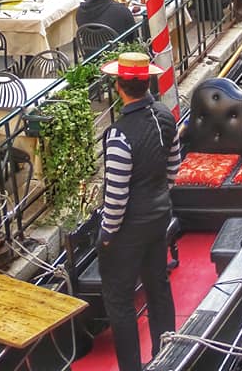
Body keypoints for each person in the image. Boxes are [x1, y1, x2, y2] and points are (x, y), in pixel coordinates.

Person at [98, 50, 180, 371]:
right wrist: (157, 198)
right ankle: (168, 357)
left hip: (129, 229)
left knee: (119, 301)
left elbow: (116, 199)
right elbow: (173, 170)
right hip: (159, 218)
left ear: (119, 86)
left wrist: (106, 234)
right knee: (158, 286)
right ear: (147, 83)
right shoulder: (165, 116)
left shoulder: (118, 135)